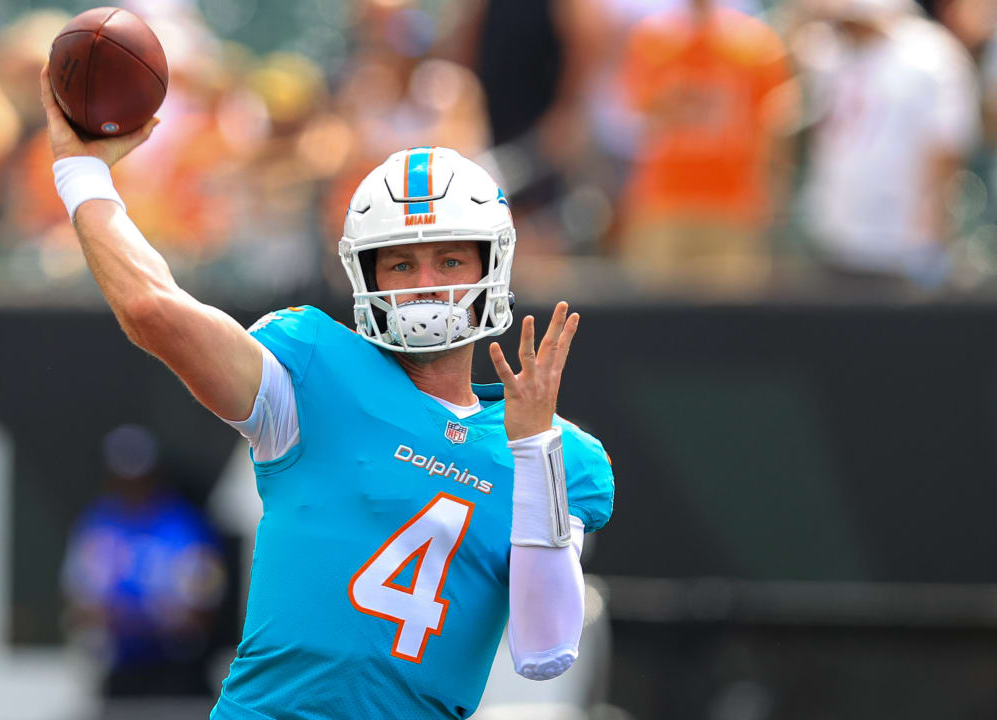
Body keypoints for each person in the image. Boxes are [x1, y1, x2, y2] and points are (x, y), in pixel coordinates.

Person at [39, 59, 614, 720]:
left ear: (493, 266)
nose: (425, 281)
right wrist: (81, 171)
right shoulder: (313, 376)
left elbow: (546, 649)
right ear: (366, 277)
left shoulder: (552, 455)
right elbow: (152, 309)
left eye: (450, 259)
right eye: (400, 262)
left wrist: (535, 451)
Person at [795, 0, 980, 289]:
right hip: (830, 234)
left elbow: (946, 154)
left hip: (895, 245)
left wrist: (929, 238)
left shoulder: (931, 55)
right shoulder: (829, 50)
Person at [619, 0, 798, 293]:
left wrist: (772, 186)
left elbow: (776, 121)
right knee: (653, 311)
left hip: (731, 203)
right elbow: (635, 114)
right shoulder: (654, 40)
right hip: (665, 200)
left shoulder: (755, 44)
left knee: (729, 319)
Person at [61, 424, 225, 698]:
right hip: (119, 673)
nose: (132, 487)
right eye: (122, 477)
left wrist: (131, 616)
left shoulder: (184, 526)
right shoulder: (97, 525)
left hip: (178, 675)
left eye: (139, 476)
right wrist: (147, 614)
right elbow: (79, 608)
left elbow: (201, 613)